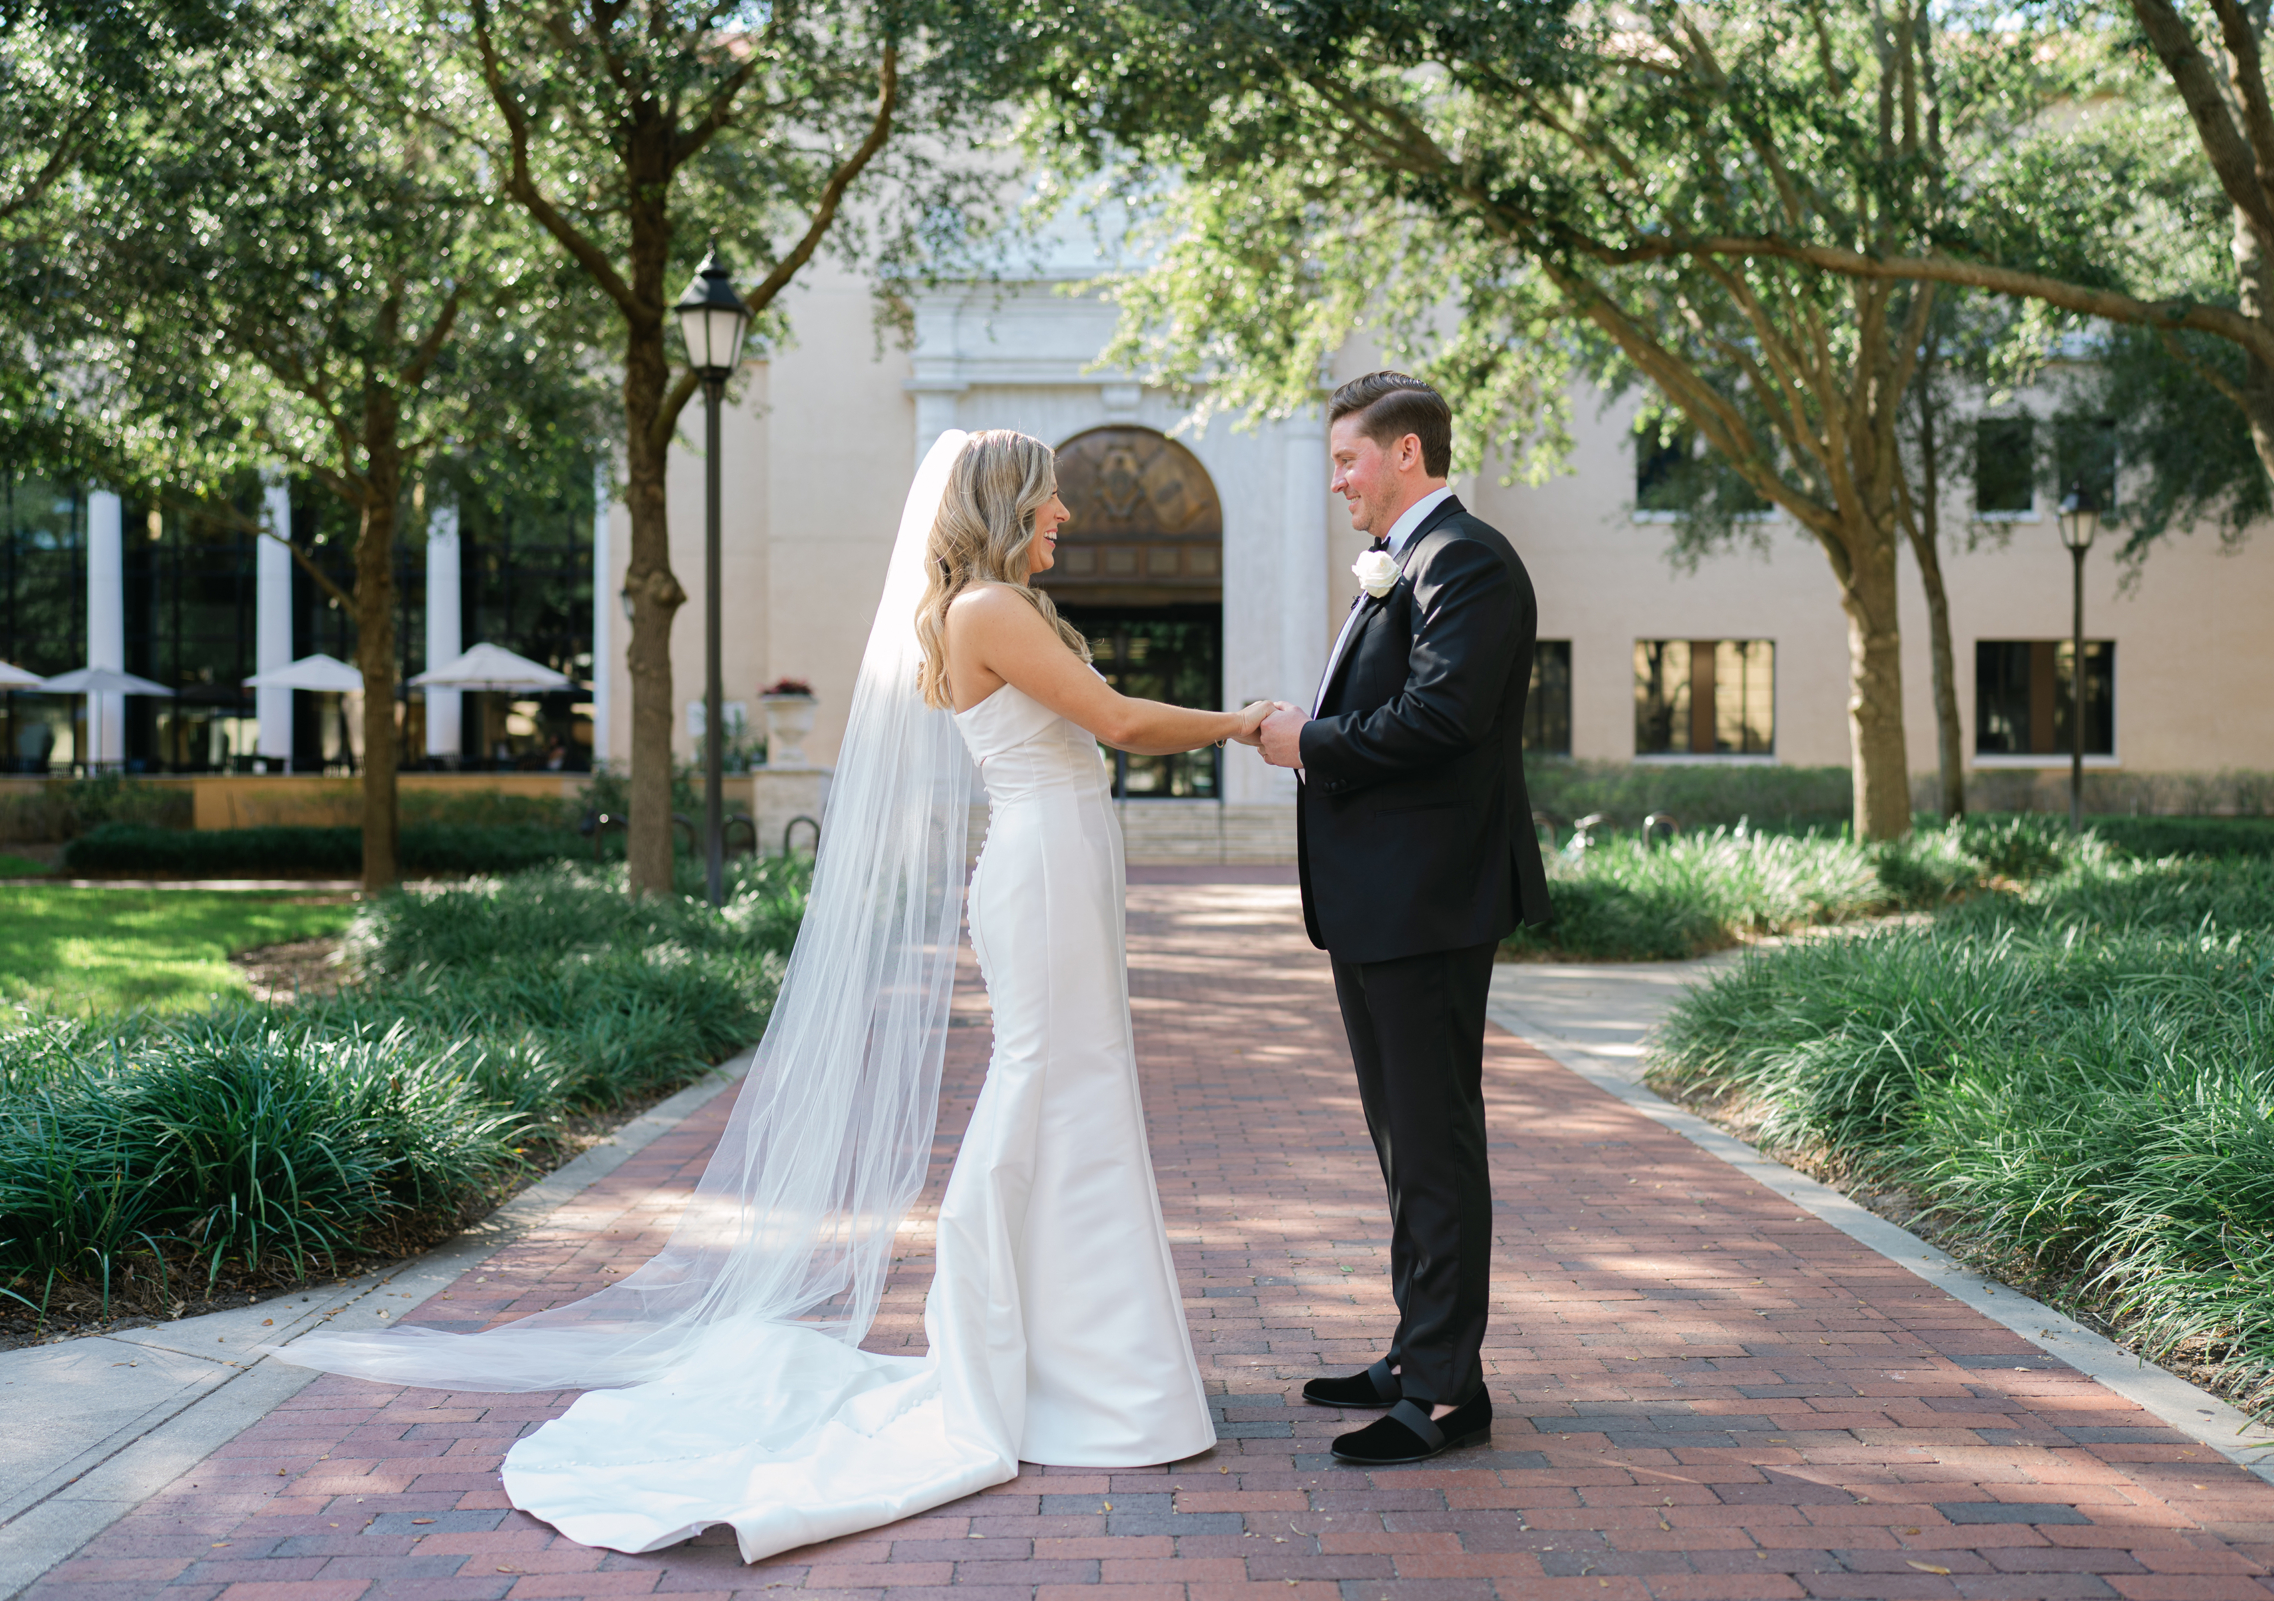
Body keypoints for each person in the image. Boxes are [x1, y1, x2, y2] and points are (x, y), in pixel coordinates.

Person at [276, 428, 1262, 1562]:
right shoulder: (989, 607)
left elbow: (1101, 711)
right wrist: (1245, 722)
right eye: (1049, 497)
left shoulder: (1001, 605)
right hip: (1041, 871)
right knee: (1054, 1082)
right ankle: (1041, 1357)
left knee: (1078, 1085)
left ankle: (1083, 1355)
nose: (1066, 515)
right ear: (1004, 503)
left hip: (1059, 864)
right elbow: (1123, 722)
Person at [1248, 371, 1553, 1465]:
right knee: (1402, 1142)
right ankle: (1417, 1351)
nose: (1337, 480)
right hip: (1385, 902)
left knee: (1433, 1142)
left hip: (1429, 898)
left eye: (1348, 459)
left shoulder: (1464, 559)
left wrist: (1306, 742)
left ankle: (1445, 1393)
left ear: (1408, 454)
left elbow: (1441, 716)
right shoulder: (1409, 563)